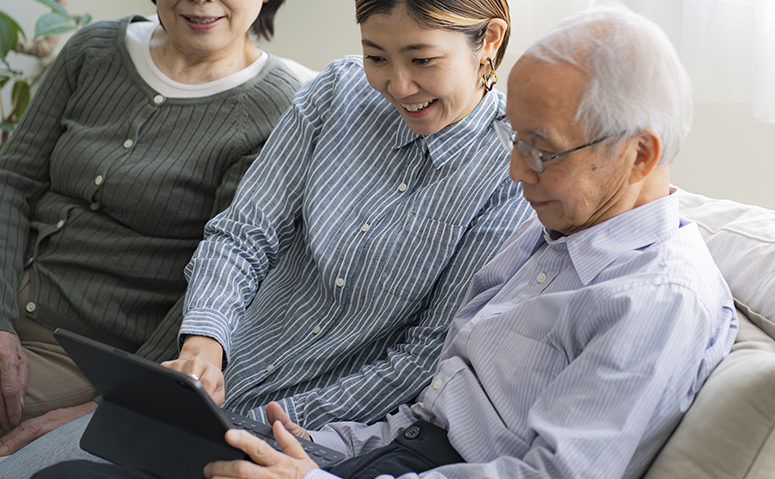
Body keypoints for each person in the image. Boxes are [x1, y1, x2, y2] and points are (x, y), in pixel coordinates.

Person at [29, 4, 740, 479]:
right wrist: (306, 446)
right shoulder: (561, 237)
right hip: (343, 442)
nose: (518, 166)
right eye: (375, 56)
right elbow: (430, 408)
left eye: (539, 148)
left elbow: (533, 467)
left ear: (639, 155)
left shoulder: (653, 292)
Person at [0, 0, 533, 475]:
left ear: (488, 40)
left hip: (303, 441)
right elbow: (243, 235)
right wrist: (204, 346)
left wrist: (257, 420)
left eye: (421, 60)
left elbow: (426, 354)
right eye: (376, 57)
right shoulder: (336, 92)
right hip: (204, 392)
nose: (397, 85)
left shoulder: (513, 170)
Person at [0, 0, 305, 457]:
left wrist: (113, 401)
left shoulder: (275, 110)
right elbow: (12, 183)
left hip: (94, 353)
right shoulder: (94, 49)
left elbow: (224, 270)